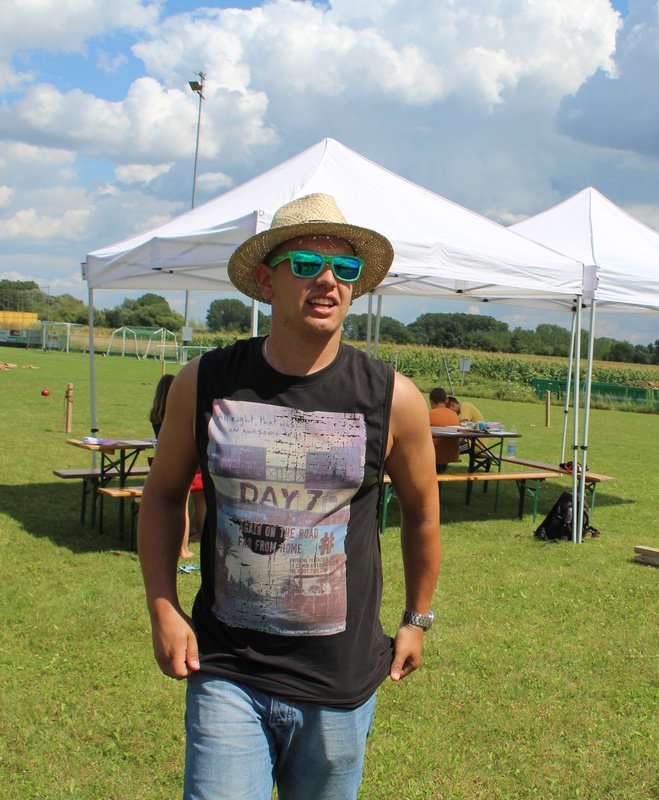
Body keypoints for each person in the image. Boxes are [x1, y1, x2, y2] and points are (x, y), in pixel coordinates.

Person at [139, 193, 442, 800]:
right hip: (227, 667)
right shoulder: (206, 380)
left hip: (338, 683)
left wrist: (417, 619)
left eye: (345, 269)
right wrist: (163, 606)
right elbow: (164, 495)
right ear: (266, 280)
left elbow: (422, 514)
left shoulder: (393, 397)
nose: (327, 280)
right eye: (306, 264)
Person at [149, 373, 199, 559]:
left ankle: (194, 534)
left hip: (165, 461)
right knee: (184, 505)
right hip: (186, 463)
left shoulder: (155, 416)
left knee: (187, 503)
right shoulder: (176, 414)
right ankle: (183, 548)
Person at [427, 387, 459, 474]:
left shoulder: (429, 415)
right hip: (451, 454)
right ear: (446, 400)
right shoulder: (454, 415)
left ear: (431, 402)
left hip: (434, 455)